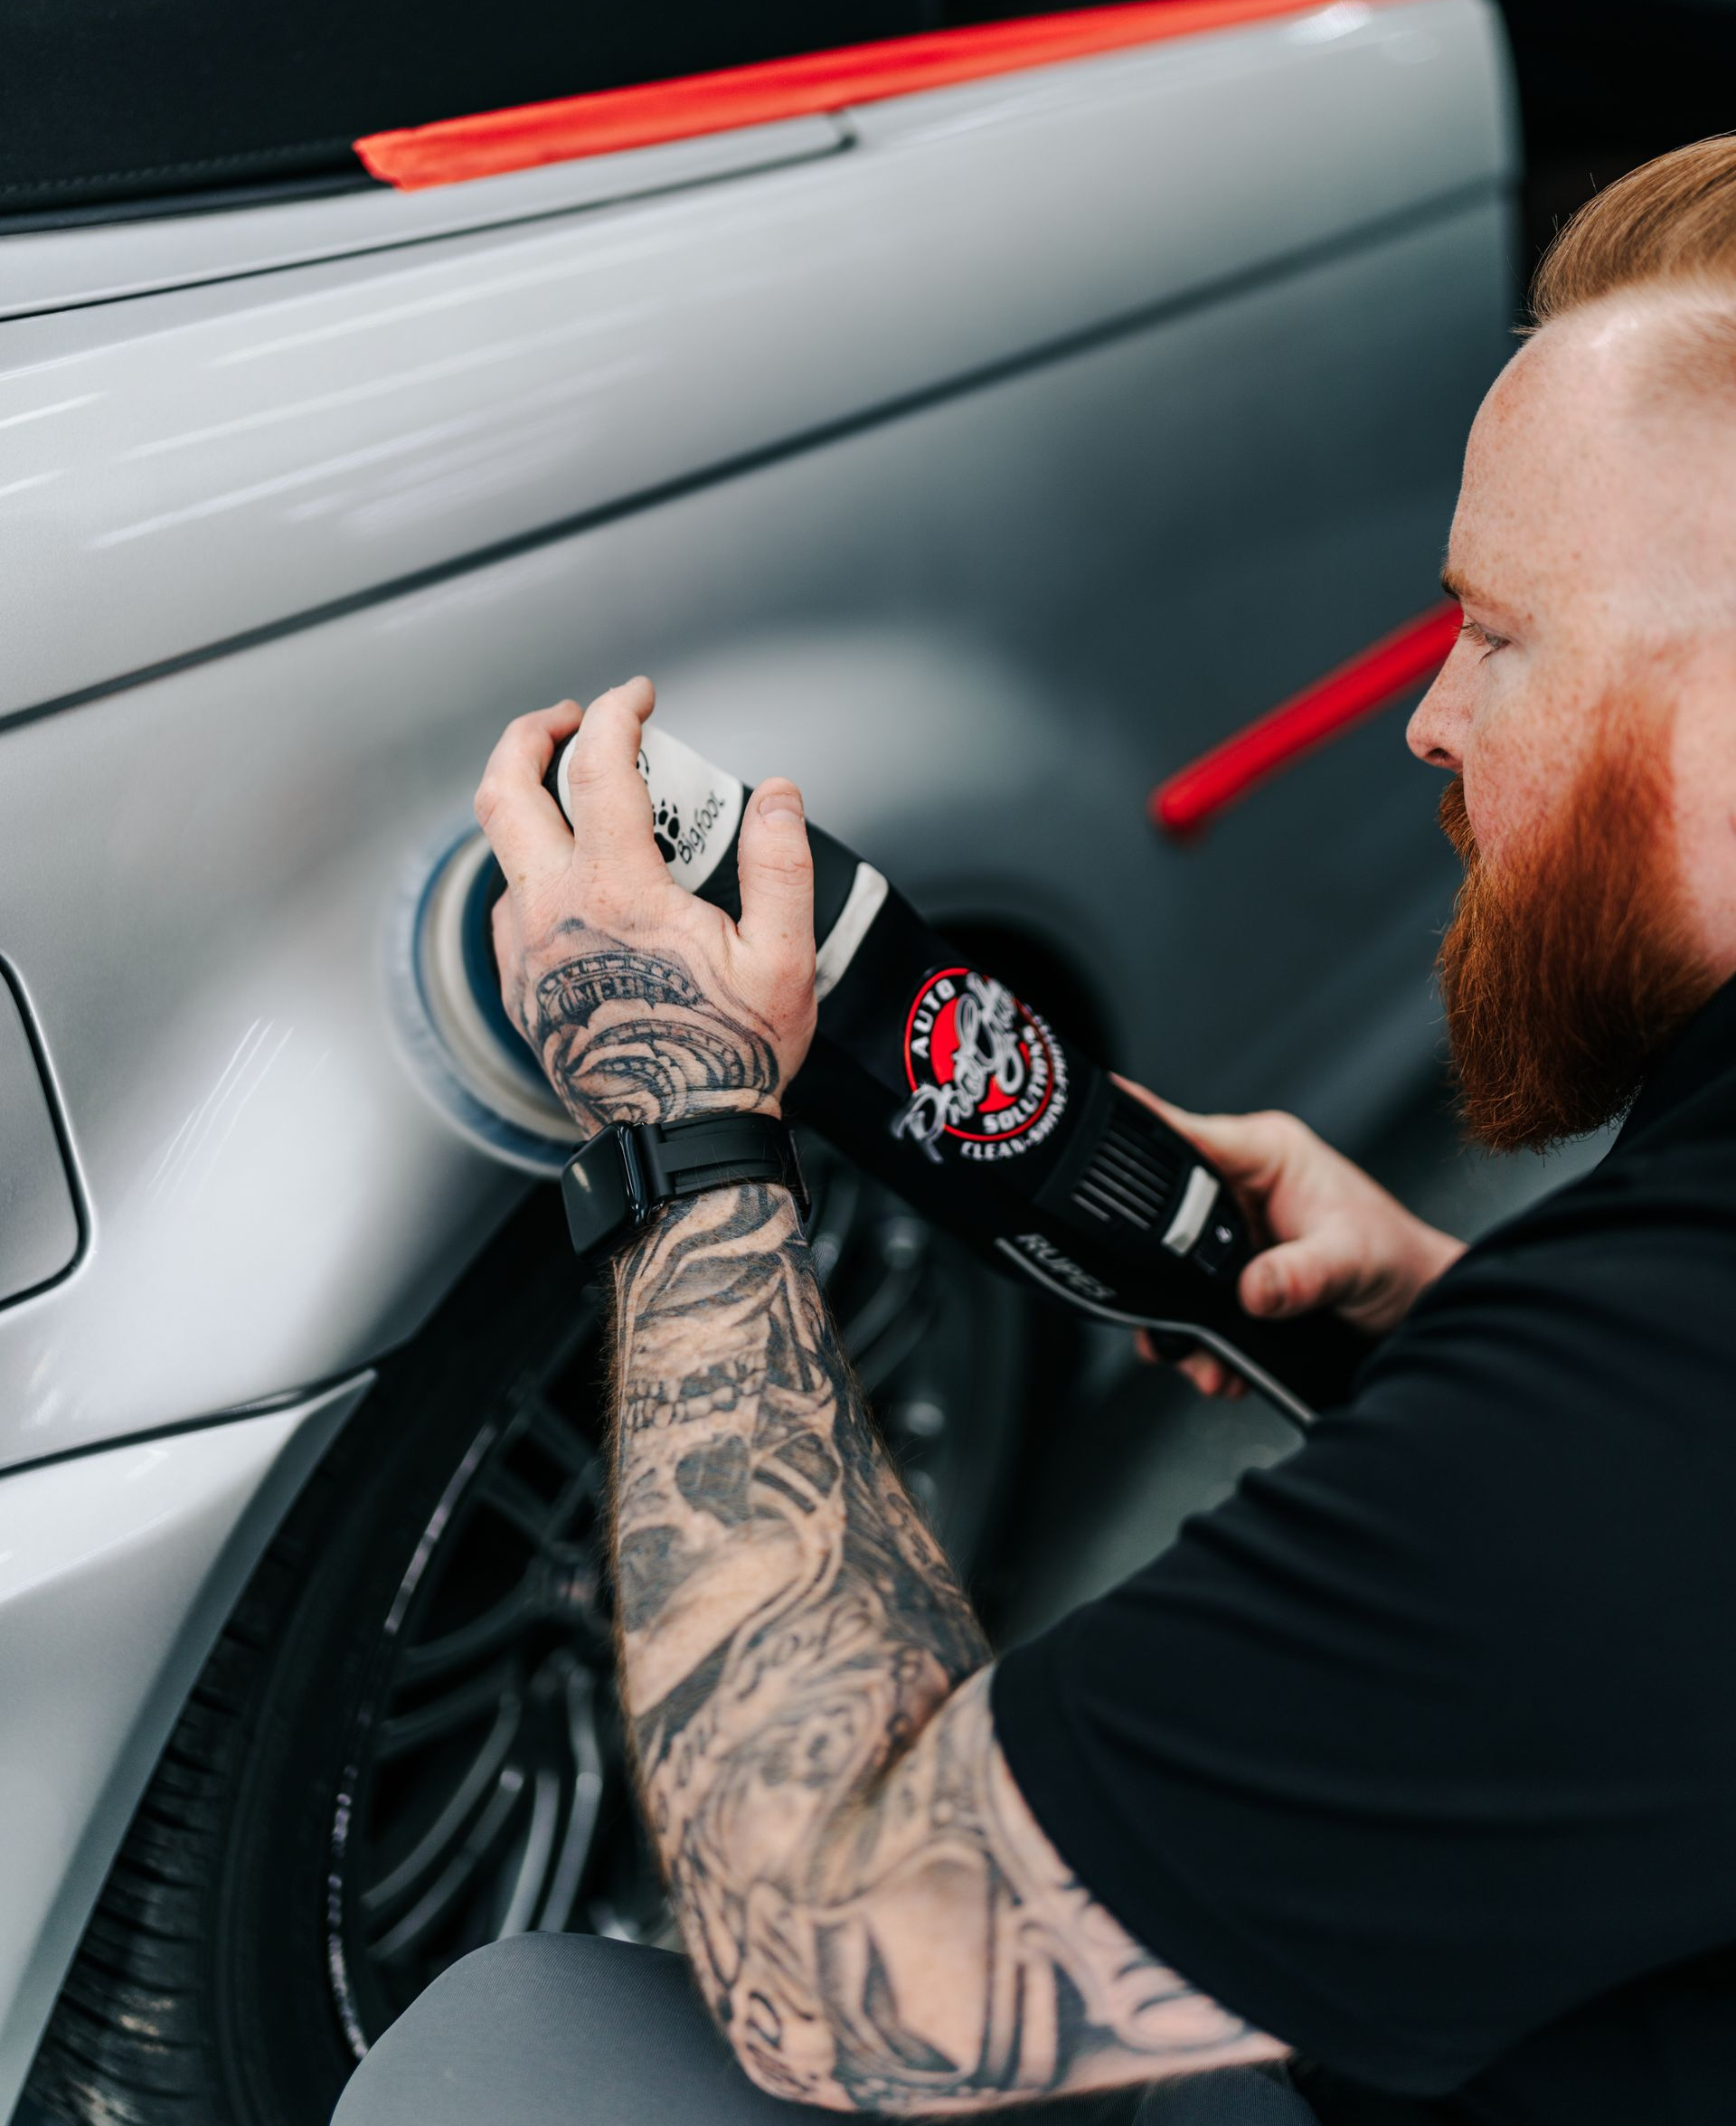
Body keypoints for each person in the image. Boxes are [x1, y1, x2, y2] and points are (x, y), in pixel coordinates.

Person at [334, 137, 1736, 2126]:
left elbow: (836, 1966)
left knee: (519, 2069)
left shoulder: (1665, 1421)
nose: (1426, 718)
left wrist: (681, 1129)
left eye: (1499, 634)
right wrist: (1455, 1331)